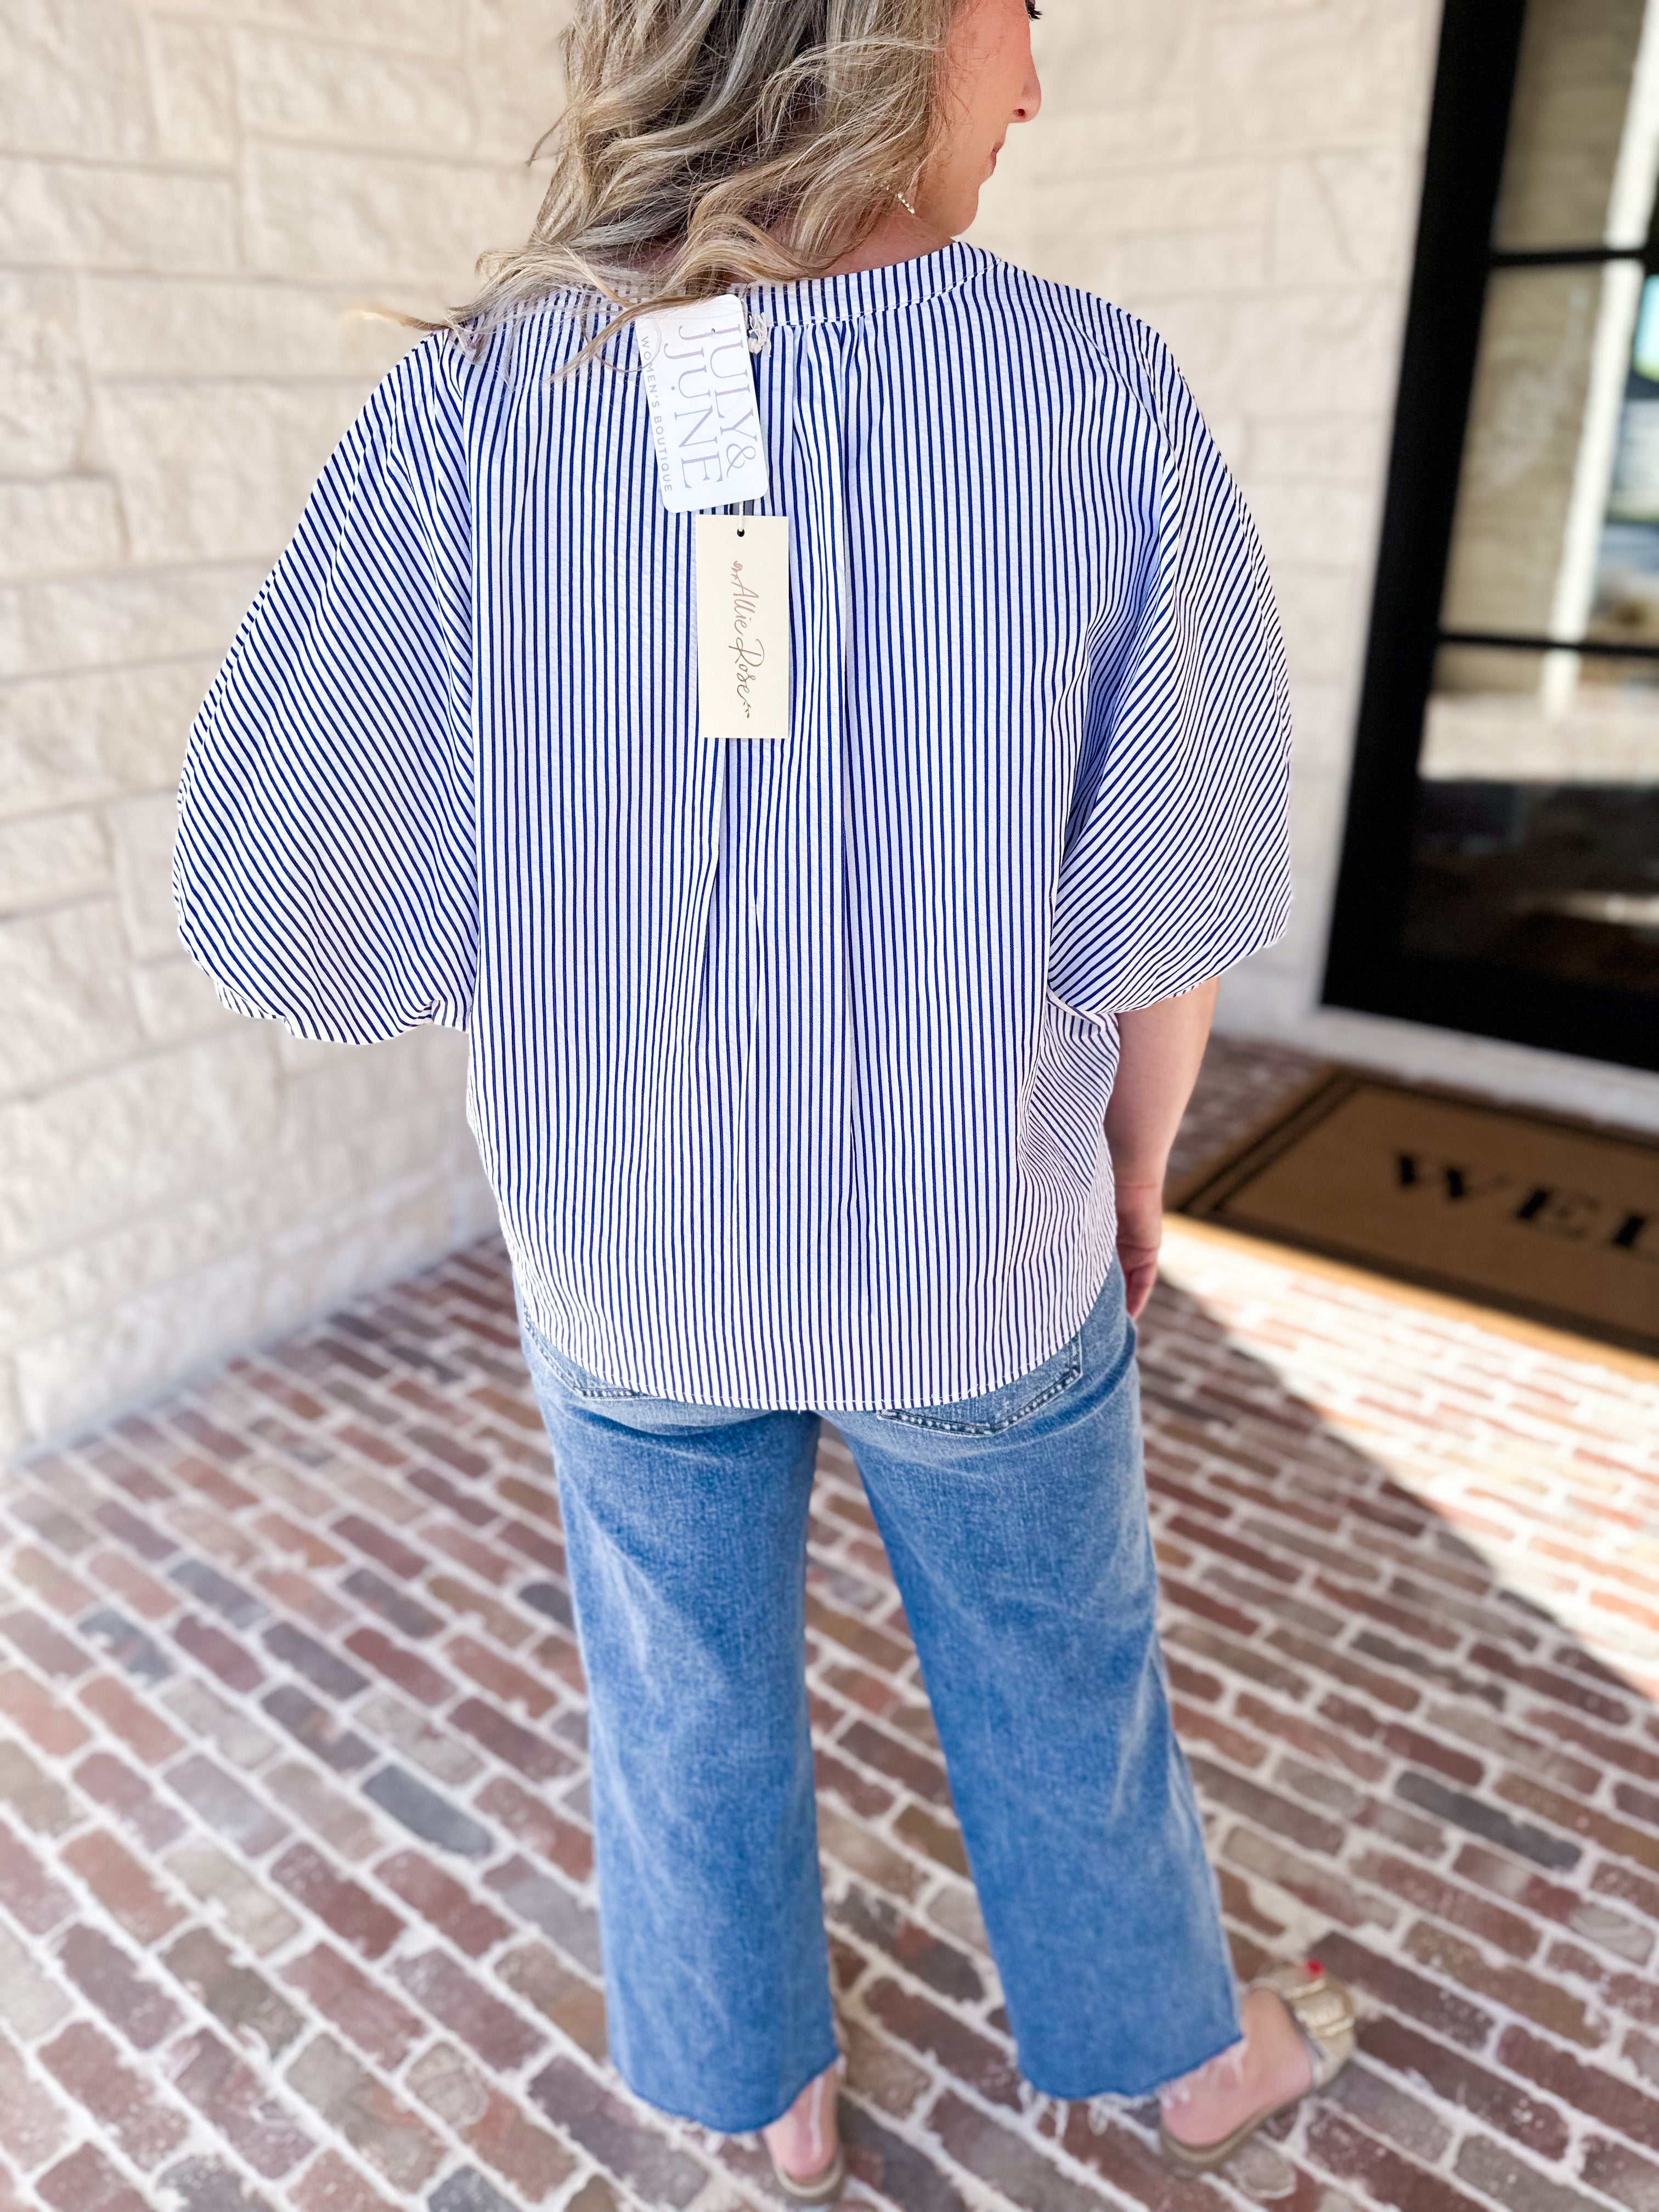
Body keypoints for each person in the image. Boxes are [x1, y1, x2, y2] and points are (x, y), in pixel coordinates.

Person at [172, 0, 1357, 2193]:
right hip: (974, 1254)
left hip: (631, 1270)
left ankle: (760, 2094)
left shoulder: (477, 406)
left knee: (679, 1697)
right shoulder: (1097, 395)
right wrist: (1131, 1175)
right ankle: (1183, 2065)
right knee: (1065, 1674)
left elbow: (293, 918)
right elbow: (1165, 909)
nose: (1037, 79)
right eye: (1025, 10)